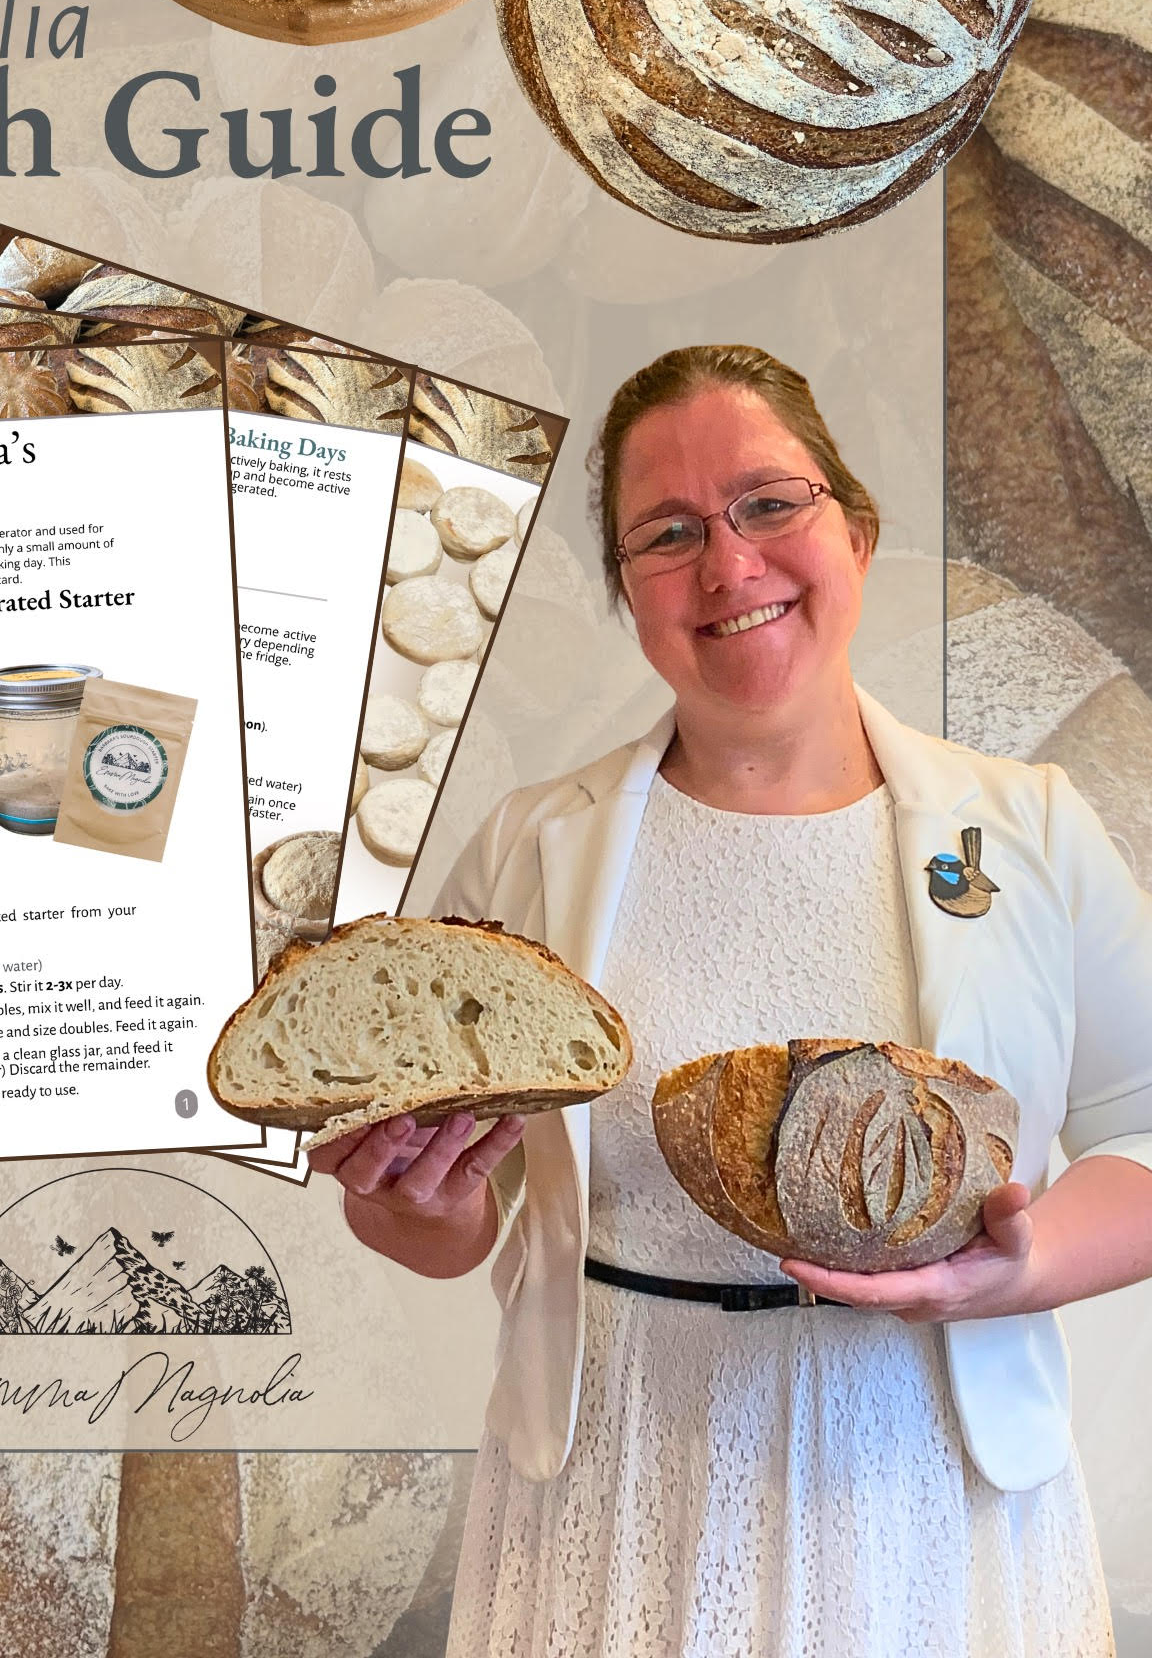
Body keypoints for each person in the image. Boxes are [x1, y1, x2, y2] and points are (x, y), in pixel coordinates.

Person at [313, 345, 1152, 1658]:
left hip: (942, 1486)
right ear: (630, 599)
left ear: (856, 533)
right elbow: (451, 1227)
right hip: (617, 1481)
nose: (729, 563)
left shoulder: (1029, 830)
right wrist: (406, 1197)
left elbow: (1146, 1128)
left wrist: (1021, 1266)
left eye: (771, 503)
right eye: (669, 533)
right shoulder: (532, 850)